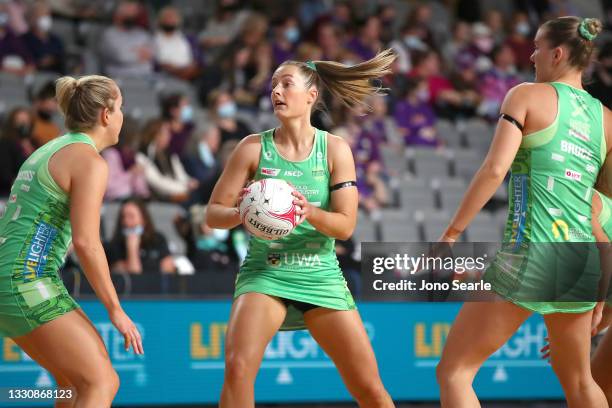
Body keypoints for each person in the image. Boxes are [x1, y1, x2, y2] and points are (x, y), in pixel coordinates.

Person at [205, 50, 397, 408]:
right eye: (273, 84)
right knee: (237, 368)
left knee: (369, 389)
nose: (276, 91)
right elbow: (213, 214)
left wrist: (307, 211)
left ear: (311, 95)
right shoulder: (251, 148)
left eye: (286, 84)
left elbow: (345, 226)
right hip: (266, 271)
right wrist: (243, 212)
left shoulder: (335, 149)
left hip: (319, 271)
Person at [435, 17, 611, 407]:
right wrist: (600, 300)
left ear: (558, 53)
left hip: (532, 254)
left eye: (536, 47)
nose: (531, 55)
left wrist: (450, 234)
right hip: (581, 261)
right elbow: (604, 213)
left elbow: (495, 170)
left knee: (454, 372)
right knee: (581, 383)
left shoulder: (526, 95)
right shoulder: (607, 121)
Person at [0, 74, 143, 407]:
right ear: (106, 114)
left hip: (19, 276)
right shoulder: (89, 160)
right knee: (101, 382)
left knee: (72, 386)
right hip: (25, 278)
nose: (122, 116)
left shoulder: (51, 148)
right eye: (120, 107)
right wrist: (115, 309)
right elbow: (87, 243)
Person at [104, 198, 176, 275]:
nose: (126, 221)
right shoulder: (115, 245)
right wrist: (132, 249)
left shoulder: (158, 239)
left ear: (143, 219)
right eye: (123, 217)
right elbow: (133, 274)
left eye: (131, 216)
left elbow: (168, 269)